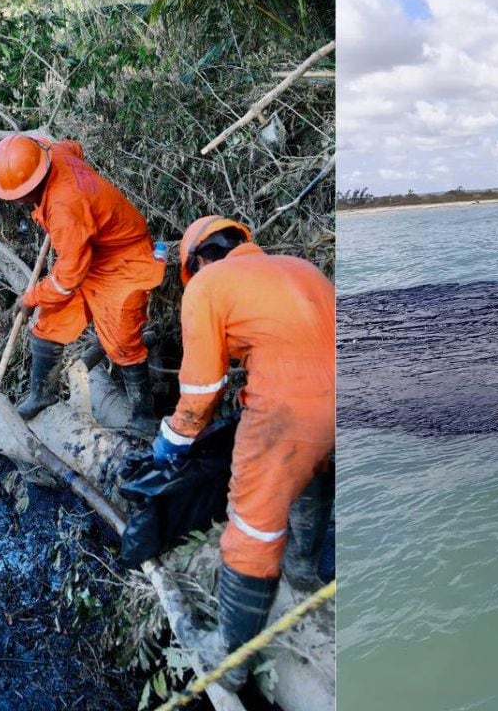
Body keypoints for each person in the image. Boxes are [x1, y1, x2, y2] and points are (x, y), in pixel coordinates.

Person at [151, 215, 335, 689]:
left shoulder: (208, 285)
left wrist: (174, 439)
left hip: (287, 411)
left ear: (199, 261)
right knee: (314, 477)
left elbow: (201, 389)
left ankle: (230, 661)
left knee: (252, 527)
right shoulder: (300, 268)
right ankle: (303, 569)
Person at [0, 133, 162, 434]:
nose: (15, 201)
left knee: (123, 342)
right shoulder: (50, 150)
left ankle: (144, 417)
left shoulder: (65, 208)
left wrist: (30, 298)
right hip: (88, 252)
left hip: (123, 260)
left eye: (16, 195)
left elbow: (67, 280)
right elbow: (74, 148)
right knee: (50, 323)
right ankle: (42, 395)